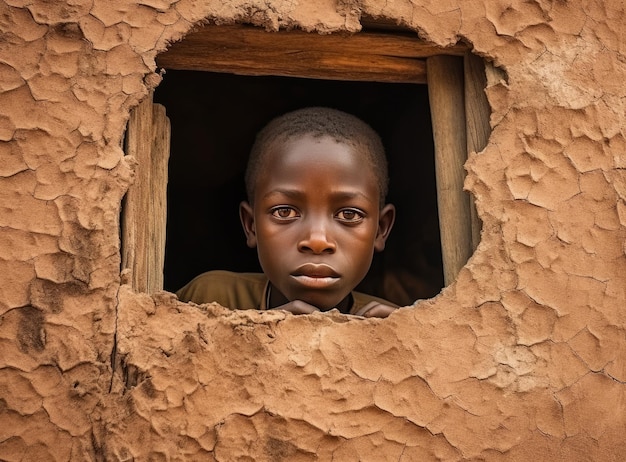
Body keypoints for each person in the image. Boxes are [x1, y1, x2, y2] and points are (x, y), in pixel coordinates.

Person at [176, 107, 398, 318]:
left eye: (349, 215)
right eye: (284, 212)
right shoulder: (209, 301)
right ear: (251, 225)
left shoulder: (400, 328)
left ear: (380, 229)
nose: (317, 241)